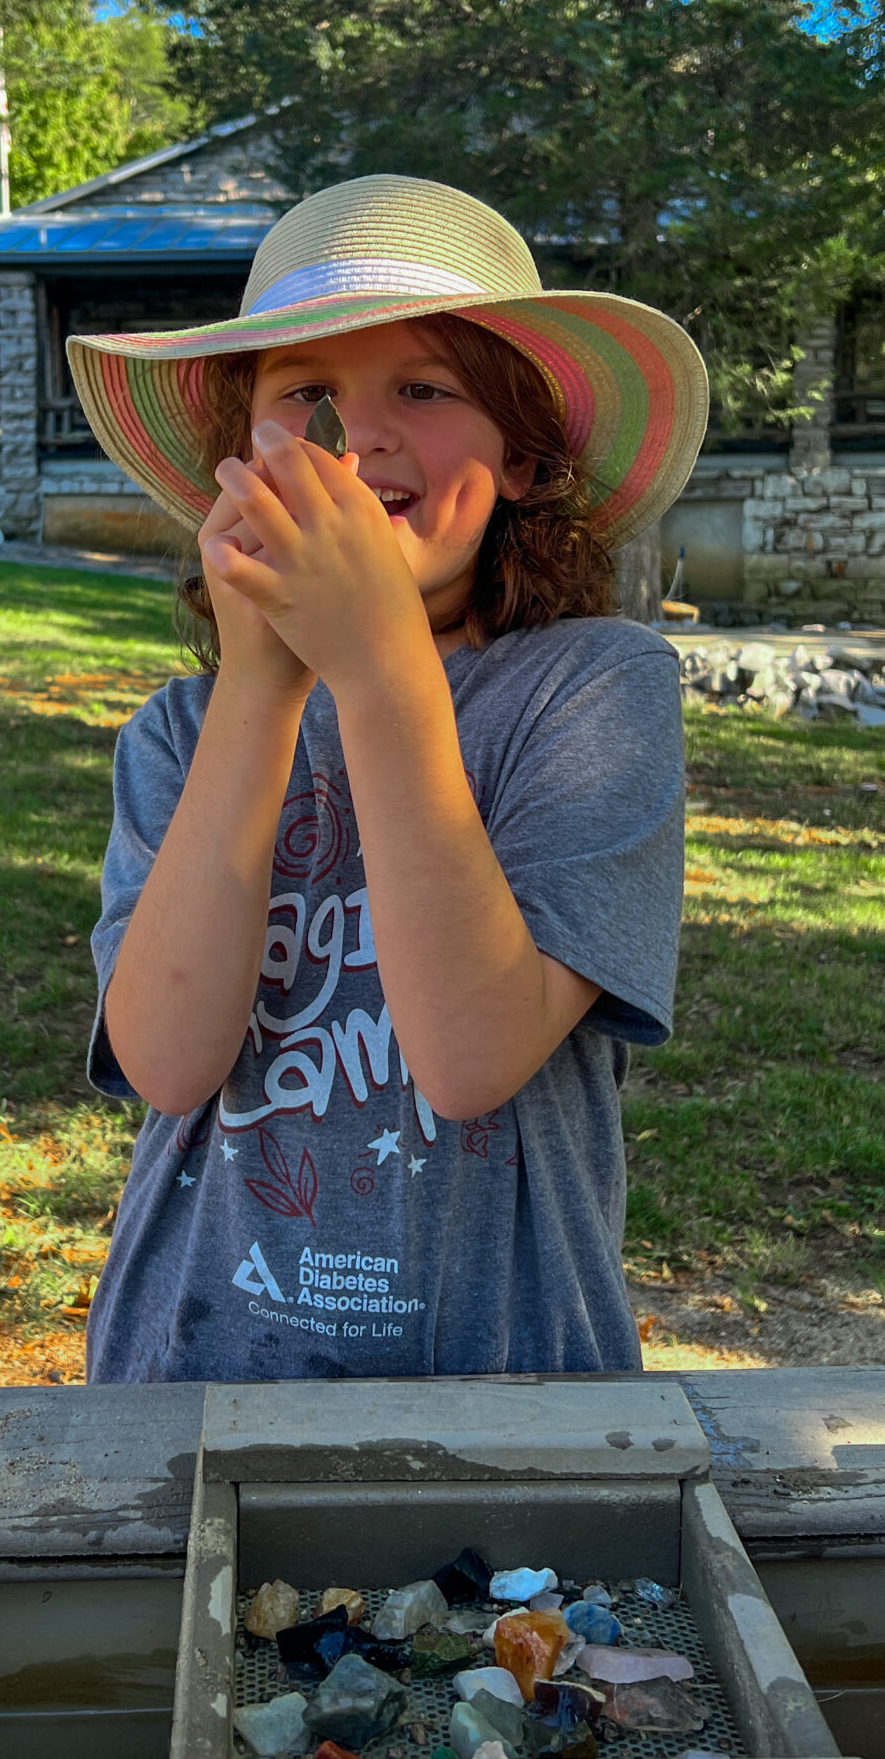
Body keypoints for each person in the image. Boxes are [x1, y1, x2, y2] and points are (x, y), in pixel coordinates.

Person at [68, 174, 708, 1382]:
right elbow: (164, 1061)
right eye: (309, 394)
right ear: (236, 461)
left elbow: (471, 1058)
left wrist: (375, 668)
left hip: (507, 1389)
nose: (359, 437)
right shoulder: (180, 731)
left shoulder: (593, 691)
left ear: (522, 459)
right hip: (189, 1381)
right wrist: (262, 688)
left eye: (422, 388)